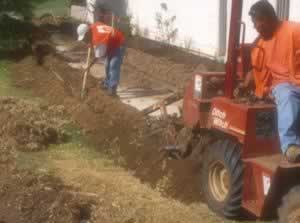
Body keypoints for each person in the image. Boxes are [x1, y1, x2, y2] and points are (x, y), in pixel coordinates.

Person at [241, 0, 300, 163]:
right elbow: (258, 72)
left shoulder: (294, 31)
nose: (255, 27)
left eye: (257, 22)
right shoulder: (260, 45)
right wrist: (257, 88)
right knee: (287, 94)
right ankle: (291, 146)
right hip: (283, 85)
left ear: (269, 18)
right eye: (253, 24)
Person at [77, 21, 125, 96]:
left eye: (85, 37)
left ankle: (112, 88)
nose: (85, 40)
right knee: (107, 65)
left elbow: (99, 56)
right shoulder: (94, 25)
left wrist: (89, 66)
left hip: (119, 44)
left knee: (113, 65)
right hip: (110, 43)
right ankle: (107, 83)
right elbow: (98, 39)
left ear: (87, 32)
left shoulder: (98, 38)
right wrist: (91, 43)